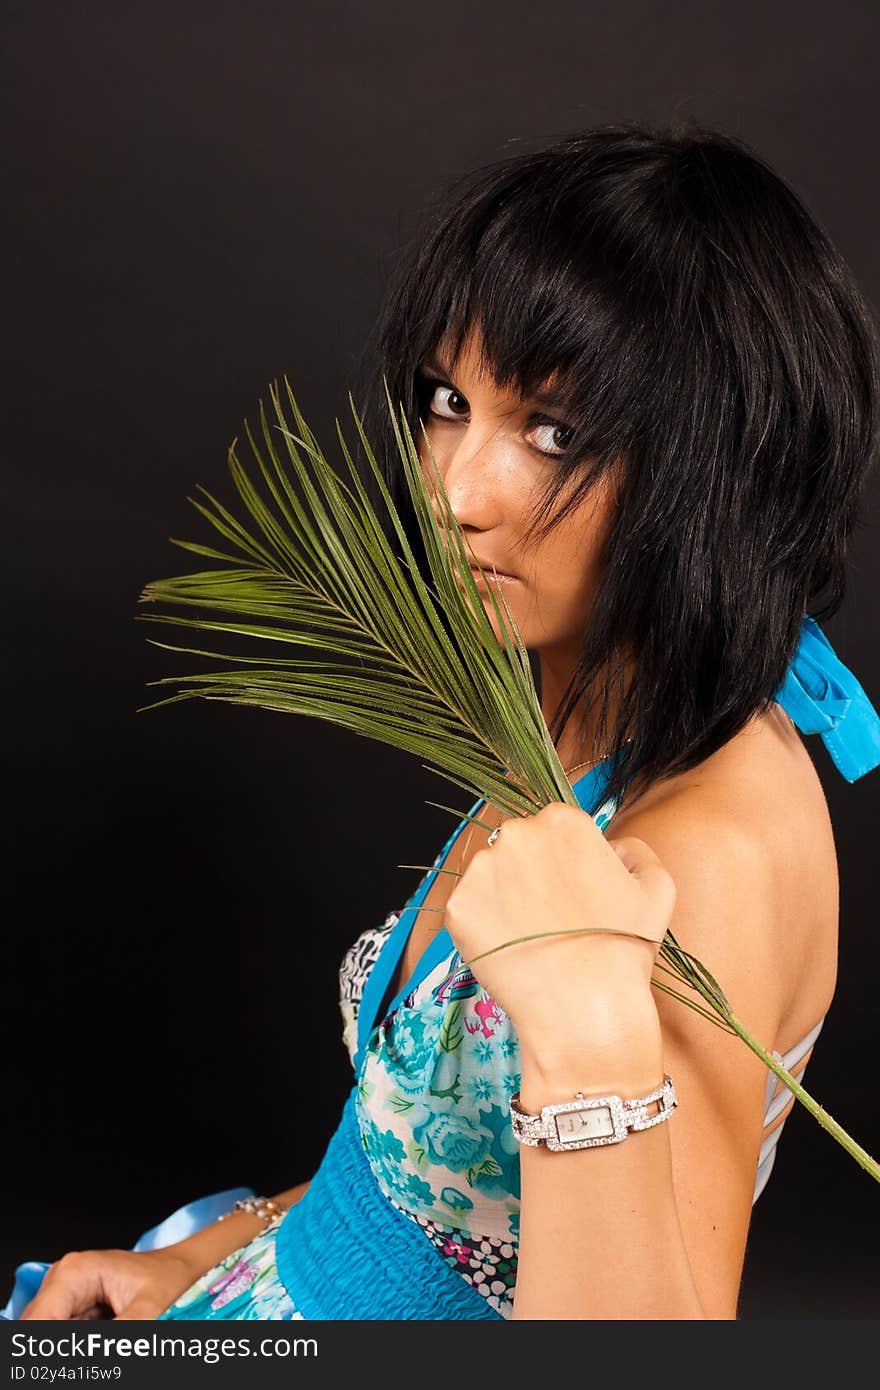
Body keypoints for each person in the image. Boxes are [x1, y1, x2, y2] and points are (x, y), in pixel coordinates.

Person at [8, 121, 880, 1321]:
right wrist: (206, 1256)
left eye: (552, 431)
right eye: (445, 401)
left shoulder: (704, 852)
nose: (456, 492)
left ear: (711, 466)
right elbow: (431, 1181)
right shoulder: (570, 710)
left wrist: (584, 1024)